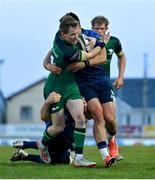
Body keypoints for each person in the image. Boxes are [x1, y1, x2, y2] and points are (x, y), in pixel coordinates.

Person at [46, 12, 116, 168]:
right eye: (71, 31)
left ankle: (110, 141)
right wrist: (48, 66)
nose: (75, 34)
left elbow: (102, 58)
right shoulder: (65, 44)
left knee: (109, 119)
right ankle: (103, 156)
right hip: (78, 83)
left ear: (78, 24)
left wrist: (84, 63)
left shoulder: (87, 35)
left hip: (98, 79)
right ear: (64, 31)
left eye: (77, 28)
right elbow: (91, 54)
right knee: (93, 115)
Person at [91, 16, 126, 160]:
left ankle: (112, 140)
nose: (99, 31)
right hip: (86, 84)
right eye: (96, 28)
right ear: (91, 28)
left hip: (105, 84)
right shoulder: (86, 41)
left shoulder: (114, 41)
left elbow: (122, 56)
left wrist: (120, 77)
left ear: (107, 28)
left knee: (110, 119)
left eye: (102, 28)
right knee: (86, 117)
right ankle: (76, 151)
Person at [10, 92, 75, 165]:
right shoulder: (68, 104)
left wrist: (47, 102)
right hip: (59, 136)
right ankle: (26, 151)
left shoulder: (56, 103)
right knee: (63, 159)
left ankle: (25, 147)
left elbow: (43, 117)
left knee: (60, 153)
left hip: (53, 136)